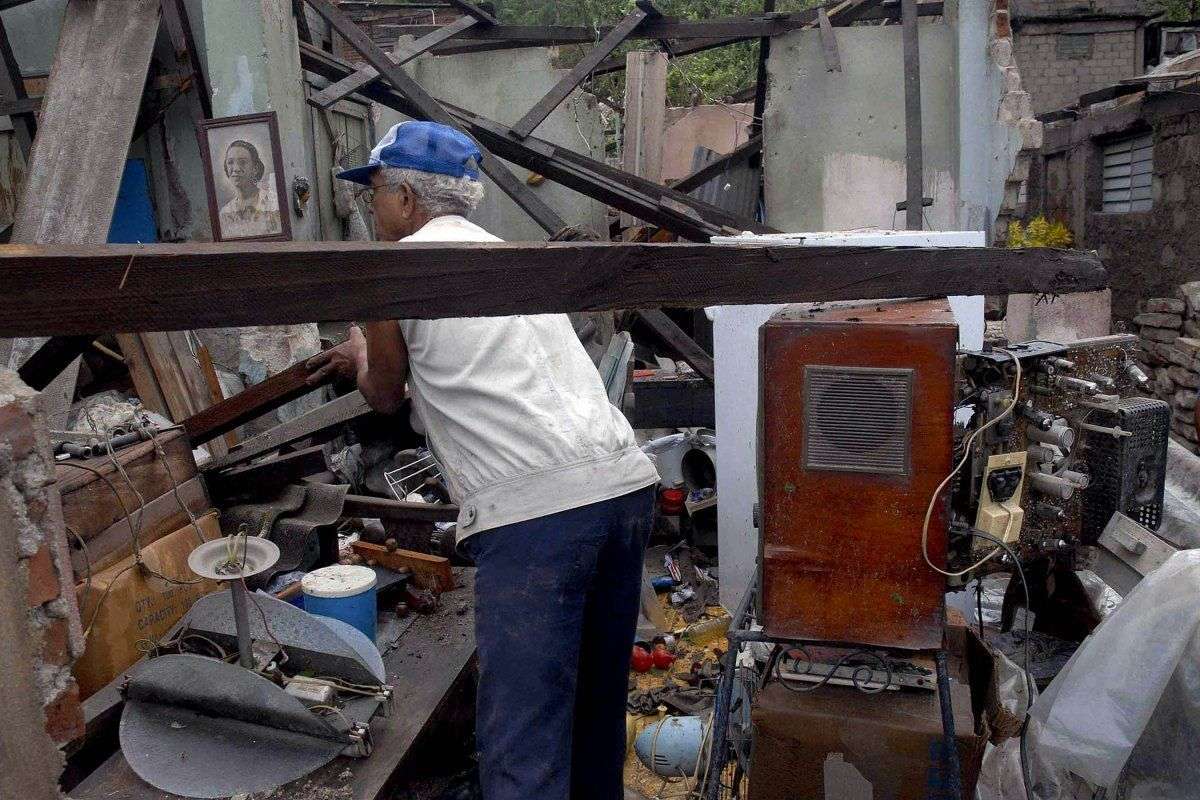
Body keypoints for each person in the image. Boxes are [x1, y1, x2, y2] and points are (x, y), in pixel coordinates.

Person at [306, 121, 660, 800]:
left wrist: (358, 355)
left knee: (524, 745)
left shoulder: (394, 270)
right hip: (625, 489)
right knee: (590, 720)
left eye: (374, 192)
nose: (370, 209)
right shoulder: (510, 257)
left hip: (539, 518)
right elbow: (473, 371)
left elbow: (382, 392)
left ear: (407, 200)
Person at [218, 139, 281, 238]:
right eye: (230, 162)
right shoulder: (225, 212)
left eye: (242, 162)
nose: (236, 169)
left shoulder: (274, 202)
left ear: (255, 168)